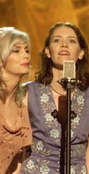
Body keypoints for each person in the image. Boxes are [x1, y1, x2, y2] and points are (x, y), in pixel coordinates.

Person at [20, 22, 89, 174]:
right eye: (57, 40)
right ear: (47, 51)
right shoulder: (27, 92)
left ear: (81, 53)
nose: (64, 44)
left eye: (71, 41)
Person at [0, 27, 32, 174]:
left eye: (26, 50)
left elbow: (17, 165)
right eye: (16, 50)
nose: (25, 55)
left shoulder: (21, 109)